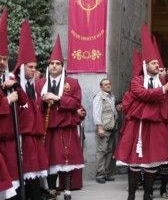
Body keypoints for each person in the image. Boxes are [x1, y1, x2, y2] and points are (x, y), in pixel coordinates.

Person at [115, 25, 168, 200]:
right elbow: (142, 94)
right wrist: (164, 89)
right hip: (138, 126)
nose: (157, 65)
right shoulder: (137, 80)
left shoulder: (163, 80)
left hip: (156, 127)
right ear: (145, 65)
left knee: (152, 163)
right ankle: (131, 195)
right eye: (153, 63)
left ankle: (147, 194)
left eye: (157, 63)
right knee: (135, 164)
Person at [4, 20, 49, 200]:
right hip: (21, 139)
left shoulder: (34, 86)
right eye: (30, 67)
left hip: (34, 139)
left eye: (35, 67)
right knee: (24, 179)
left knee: (34, 178)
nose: (33, 70)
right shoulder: (14, 85)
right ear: (22, 67)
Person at [36, 35, 84, 200]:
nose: (54, 66)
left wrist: (58, 99)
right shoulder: (40, 83)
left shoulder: (73, 82)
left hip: (66, 127)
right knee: (49, 161)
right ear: (48, 66)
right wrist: (43, 100)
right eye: (51, 64)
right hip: (47, 128)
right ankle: (50, 190)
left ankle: (68, 190)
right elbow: (35, 104)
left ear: (62, 67)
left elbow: (77, 102)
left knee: (67, 160)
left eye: (57, 64)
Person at [0, 9, 19, 200]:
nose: (2, 62)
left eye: (5, 59)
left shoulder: (6, 79)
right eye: (0, 58)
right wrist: (7, 100)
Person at [92, 78, 117, 184]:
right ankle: (100, 174)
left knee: (109, 152)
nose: (108, 85)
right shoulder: (99, 97)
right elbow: (96, 113)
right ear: (101, 86)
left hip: (112, 128)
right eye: (105, 84)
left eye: (109, 83)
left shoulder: (112, 96)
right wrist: (99, 127)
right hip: (103, 128)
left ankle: (106, 173)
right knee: (102, 152)